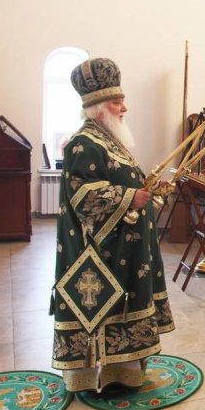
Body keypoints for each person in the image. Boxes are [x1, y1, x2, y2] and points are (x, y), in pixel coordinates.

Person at [52, 57, 174, 393]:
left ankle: (122, 372)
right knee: (108, 306)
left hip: (126, 247)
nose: (125, 107)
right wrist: (129, 197)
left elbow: (127, 183)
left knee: (129, 302)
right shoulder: (84, 142)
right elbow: (82, 194)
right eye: (118, 101)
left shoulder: (109, 140)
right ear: (99, 107)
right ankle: (96, 375)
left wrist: (150, 192)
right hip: (102, 252)